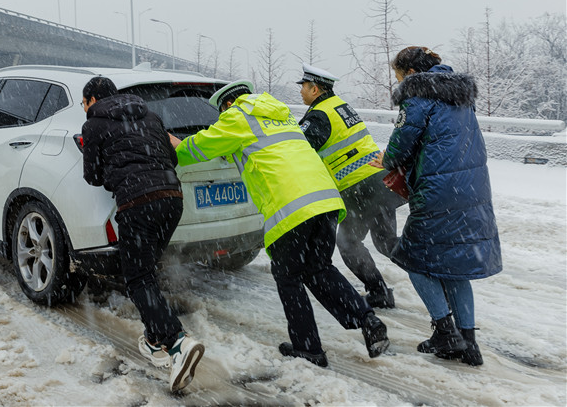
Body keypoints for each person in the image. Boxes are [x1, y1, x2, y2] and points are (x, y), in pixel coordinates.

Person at [171, 80, 389, 368]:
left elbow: (194, 151)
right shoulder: (281, 115)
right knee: (319, 268)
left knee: (289, 278)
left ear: (226, 105)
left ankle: (308, 348)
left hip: (291, 207)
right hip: (324, 200)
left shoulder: (237, 117)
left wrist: (172, 142)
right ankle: (368, 320)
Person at [370, 46, 502, 366]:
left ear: (411, 74)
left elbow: (403, 141)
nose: (398, 82)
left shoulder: (417, 94)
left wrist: (385, 160)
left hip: (439, 191)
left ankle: (445, 332)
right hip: (472, 190)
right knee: (454, 265)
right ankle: (469, 343)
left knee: (413, 259)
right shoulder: (459, 96)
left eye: (398, 76)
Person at [80, 76, 204, 392]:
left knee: (137, 279)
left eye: (84, 104)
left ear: (91, 99)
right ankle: (154, 339)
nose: (84, 109)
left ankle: (177, 342)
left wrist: (113, 167)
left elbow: (92, 176)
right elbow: (172, 158)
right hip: (172, 200)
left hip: (138, 203)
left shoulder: (93, 125)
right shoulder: (150, 116)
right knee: (145, 273)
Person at [296, 64, 407, 308]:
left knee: (348, 244)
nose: (301, 92)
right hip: (379, 180)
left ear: (315, 89)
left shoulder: (318, 115)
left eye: (303, 87)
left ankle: (379, 292)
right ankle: (430, 269)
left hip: (359, 188)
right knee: (387, 242)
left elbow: (300, 151)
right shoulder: (340, 106)